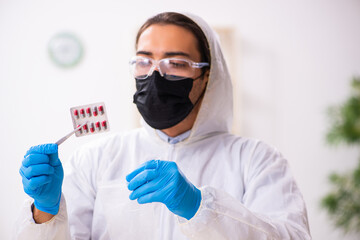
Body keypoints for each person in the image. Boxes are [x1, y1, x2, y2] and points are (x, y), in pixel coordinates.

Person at [15, 12, 311, 239]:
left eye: (176, 64)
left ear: (207, 76)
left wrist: (200, 208)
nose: (155, 75)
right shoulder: (96, 157)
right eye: (144, 62)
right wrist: (46, 211)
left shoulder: (258, 160)